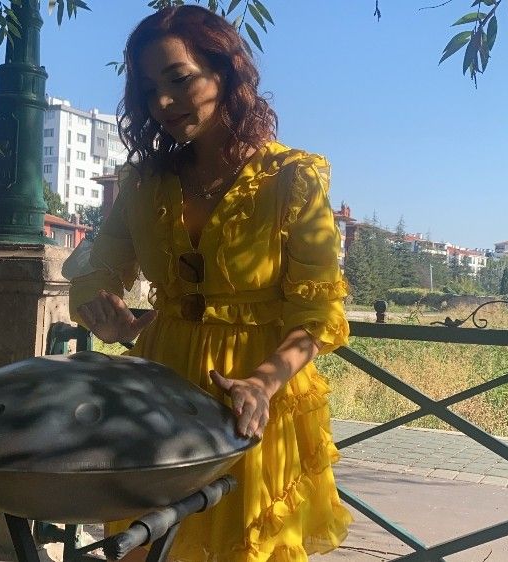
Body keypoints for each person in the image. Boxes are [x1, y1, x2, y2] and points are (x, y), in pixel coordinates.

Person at [67, 5, 351, 561]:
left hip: (254, 393)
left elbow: (317, 310)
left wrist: (262, 384)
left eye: (179, 79)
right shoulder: (145, 184)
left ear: (226, 71)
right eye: (149, 89)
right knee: (151, 542)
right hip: (161, 384)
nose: (163, 102)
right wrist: (101, 307)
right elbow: (99, 265)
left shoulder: (291, 178)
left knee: (243, 542)